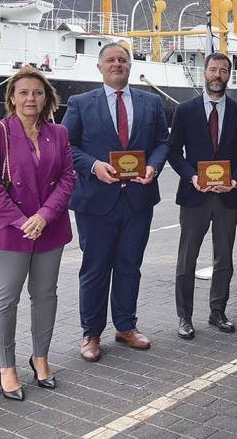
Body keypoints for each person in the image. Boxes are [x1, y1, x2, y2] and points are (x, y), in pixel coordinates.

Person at [62, 42, 170, 361]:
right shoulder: (80, 103)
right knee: (95, 269)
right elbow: (66, 147)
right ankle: (91, 334)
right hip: (96, 201)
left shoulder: (151, 102)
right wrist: (94, 167)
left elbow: (162, 143)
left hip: (138, 199)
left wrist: (153, 166)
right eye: (110, 60)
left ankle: (125, 326)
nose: (117, 64)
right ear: (100, 68)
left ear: (130, 66)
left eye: (122, 60)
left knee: (129, 266)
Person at [0, 66, 75, 400]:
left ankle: (40, 358)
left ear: (47, 98)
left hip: (49, 227)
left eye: (37, 92)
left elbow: (67, 178)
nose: (31, 98)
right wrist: (22, 221)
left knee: (46, 295)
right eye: (24, 93)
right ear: (12, 98)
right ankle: (6, 366)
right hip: (8, 230)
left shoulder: (58, 133)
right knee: (6, 299)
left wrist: (44, 215)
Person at [168, 53, 237, 335]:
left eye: (224, 71)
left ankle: (218, 312)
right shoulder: (185, 110)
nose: (218, 75)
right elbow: (173, 151)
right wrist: (192, 176)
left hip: (228, 196)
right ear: (204, 72)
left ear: (229, 75)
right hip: (195, 195)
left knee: (224, 258)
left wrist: (236, 181)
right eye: (213, 70)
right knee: (187, 259)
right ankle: (185, 316)